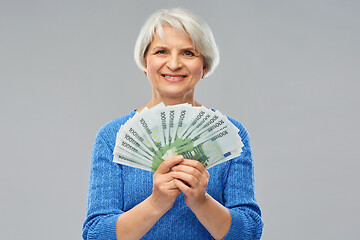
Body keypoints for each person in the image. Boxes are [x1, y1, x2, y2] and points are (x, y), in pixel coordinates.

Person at [82, 8, 263, 240]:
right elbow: (96, 234)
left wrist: (200, 200)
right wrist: (156, 203)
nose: (174, 64)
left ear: (204, 66)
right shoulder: (112, 136)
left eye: (188, 53)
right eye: (161, 51)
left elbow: (248, 233)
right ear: (145, 63)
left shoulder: (232, 136)